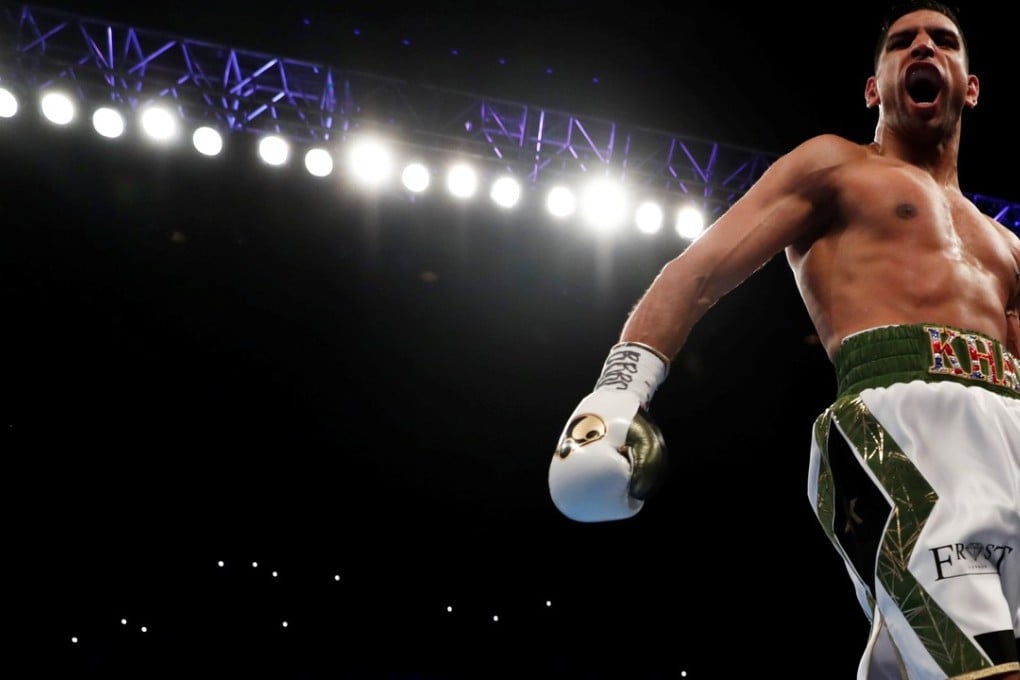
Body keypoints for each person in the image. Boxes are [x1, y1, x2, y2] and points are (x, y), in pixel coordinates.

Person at [547, 2, 1020, 678]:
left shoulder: (1007, 245)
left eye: (943, 41)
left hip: (1010, 436)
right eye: (900, 43)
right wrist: (616, 394)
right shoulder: (835, 167)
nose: (922, 48)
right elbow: (698, 271)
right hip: (896, 435)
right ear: (872, 87)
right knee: (982, 667)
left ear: (969, 86)